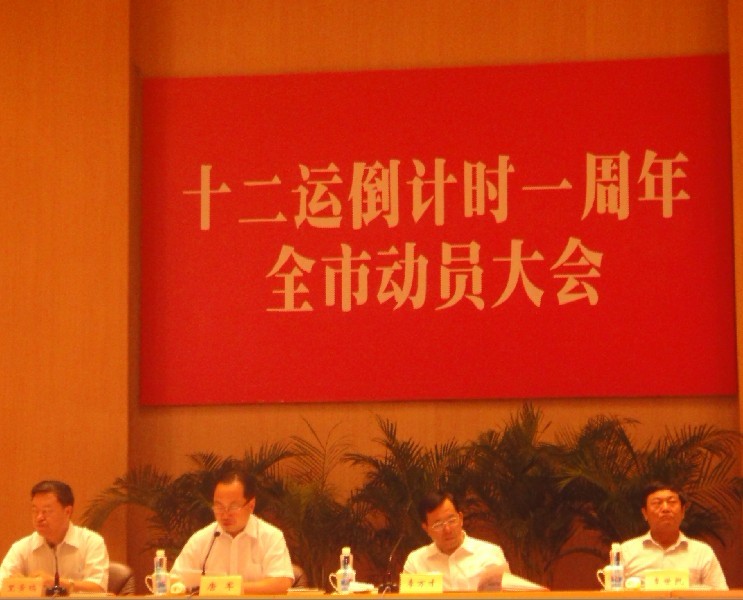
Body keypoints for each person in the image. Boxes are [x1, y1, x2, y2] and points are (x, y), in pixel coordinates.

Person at [171, 468, 294, 594]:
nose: (225, 515)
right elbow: (174, 581)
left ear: (251, 505)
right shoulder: (201, 540)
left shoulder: (271, 537)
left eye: (233, 507)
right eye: (219, 506)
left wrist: (228, 588)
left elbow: (281, 582)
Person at [0, 480, 109, 593]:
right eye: (35, 511)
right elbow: (1, 582)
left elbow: (99, 588)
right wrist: (17, 583)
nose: (39, 517)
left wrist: (56, 583)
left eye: (46, 511)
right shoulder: (22, 547)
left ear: (67, 512)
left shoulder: (91, 542)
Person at [620, 481, 728, 590]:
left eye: (672, 502)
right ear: (645, 513)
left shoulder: (702, 552)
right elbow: (613, 592)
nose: (665, 508)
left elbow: (721, 593)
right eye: (657, 503)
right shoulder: (626, 551)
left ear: (683, 511)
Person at [402, 491, 510, 591]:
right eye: (438, 525)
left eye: (451, 520)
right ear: (426, 528)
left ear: (461, 518)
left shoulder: (490, 554)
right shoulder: (416, 562)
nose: (447, 529)